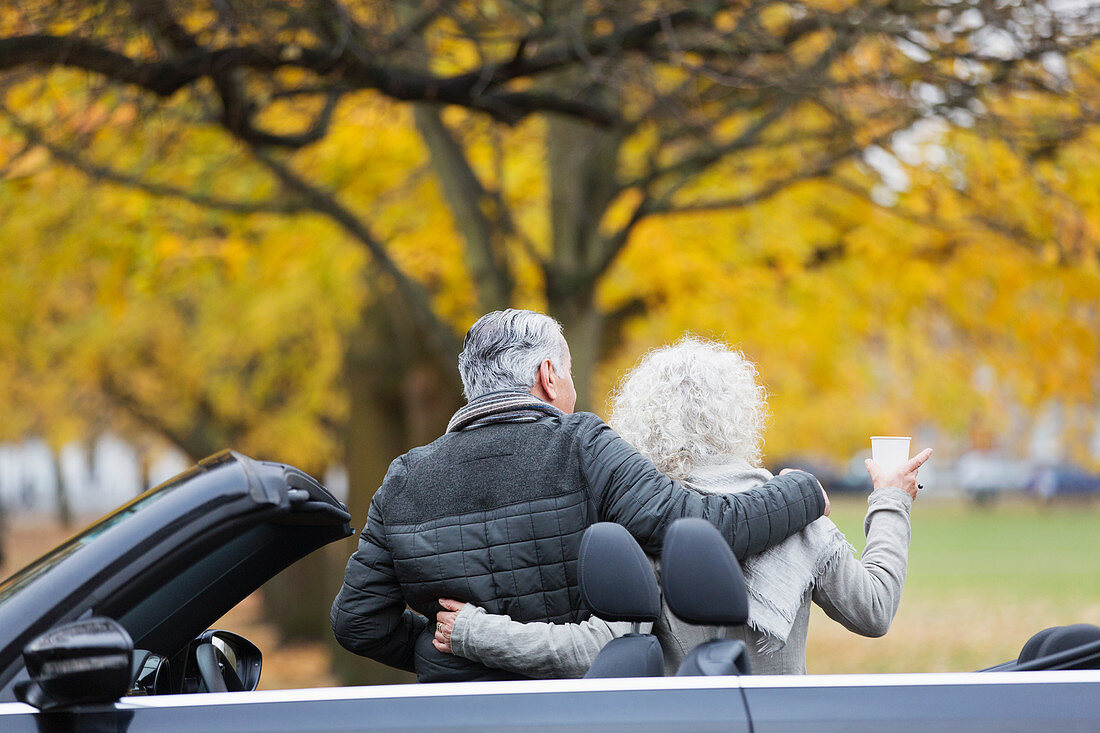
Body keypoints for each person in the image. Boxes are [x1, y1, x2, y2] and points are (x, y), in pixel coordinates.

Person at [331, 312, 830, 682]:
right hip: (574, 709)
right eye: (567, 372)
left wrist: (440, 651)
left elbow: (357, 621)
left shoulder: (404, 477)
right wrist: (802, 489)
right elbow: (704, 528)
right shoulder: (582, 445)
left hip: (456, 714)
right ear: (548, 375)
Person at [433, 337, 930, 676]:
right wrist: (890, 499)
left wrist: (478, 632)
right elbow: (874, 608)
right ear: (741, 413)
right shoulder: (795, 516)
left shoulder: (637, 521)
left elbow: (590, 649)